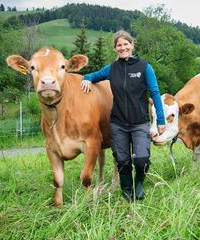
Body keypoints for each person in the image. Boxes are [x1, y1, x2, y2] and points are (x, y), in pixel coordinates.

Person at [81, 30, 165, 201]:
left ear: (132, 45)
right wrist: (86, 78)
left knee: (141, 160)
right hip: (118, 124)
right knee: (122, 161)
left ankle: (139, 183)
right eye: (119, 45)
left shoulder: (144, 67)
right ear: (115, 48)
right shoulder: (112, 69)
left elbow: (155, 93)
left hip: (140, 122)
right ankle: (127, 191)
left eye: (126, 44)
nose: (123, 47)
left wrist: (161, 121)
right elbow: (93, 75)